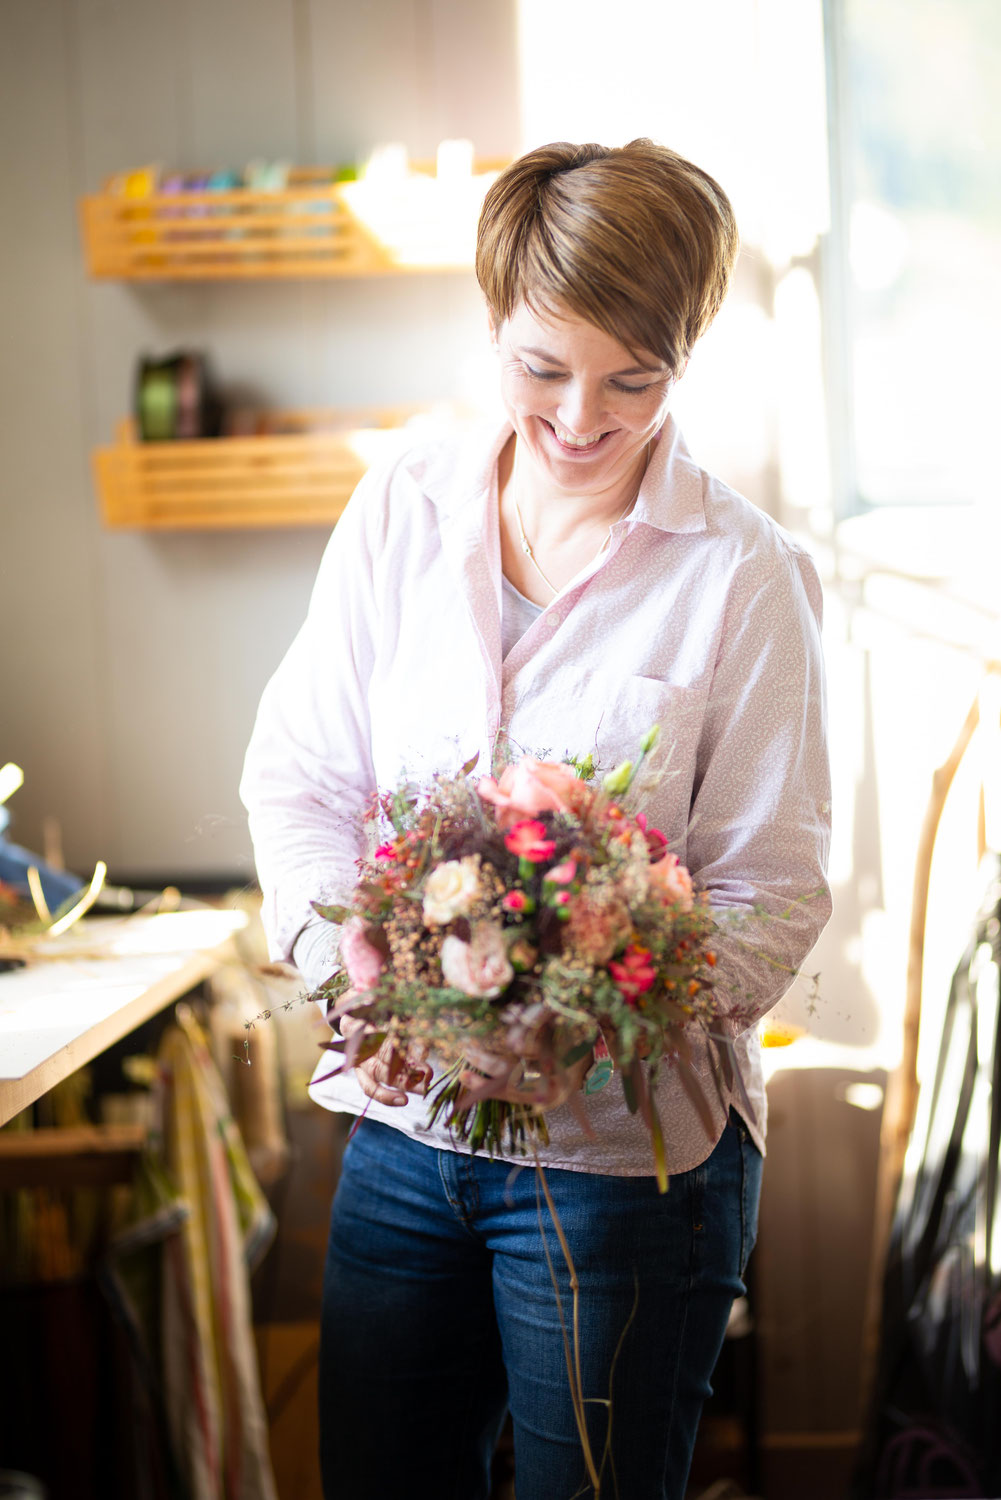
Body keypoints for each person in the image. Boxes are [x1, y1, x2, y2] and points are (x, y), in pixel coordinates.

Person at [241, 138, 832, 1500]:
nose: (579, 417)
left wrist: (573, 1032)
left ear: (684, 353)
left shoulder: (743, 575)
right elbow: (304, 777)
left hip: (626, 1171)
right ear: (493, 321)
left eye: (634, 378)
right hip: (399, 1149)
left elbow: (773, 891)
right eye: (541, 367)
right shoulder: (405, 506)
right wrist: (363, 984)